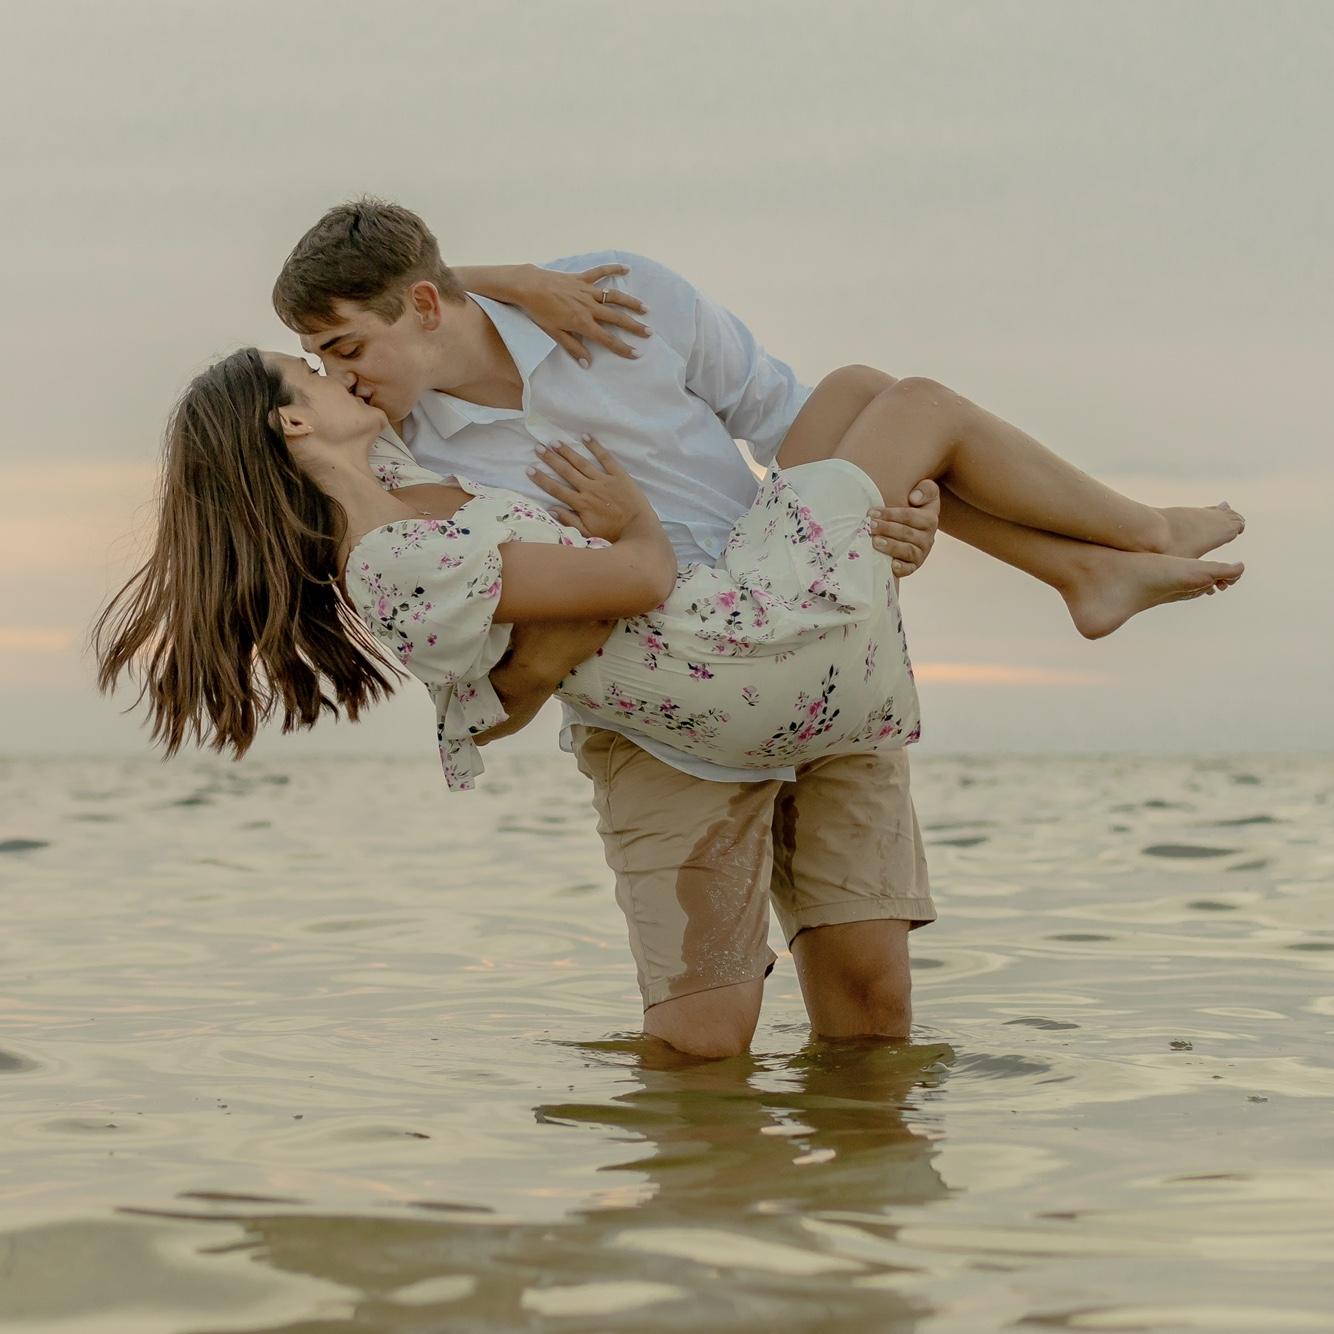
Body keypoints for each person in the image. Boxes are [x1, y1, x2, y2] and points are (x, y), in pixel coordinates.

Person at [95, 342, 1244, 1047]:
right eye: (308, 373)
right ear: (293, 423)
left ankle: (1078, 571)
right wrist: (630, 519)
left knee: (854, 392)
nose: (334, 369)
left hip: (723, 639)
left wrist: (512, 287)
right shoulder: (389, 554)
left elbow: (428, 313)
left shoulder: (399, 491)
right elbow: (631, 582)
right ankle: (1134, 534)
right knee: (921, 404)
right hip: (728, 639)